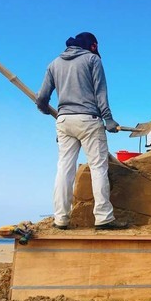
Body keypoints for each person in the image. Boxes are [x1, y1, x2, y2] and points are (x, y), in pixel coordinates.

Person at [36, 32, 127, 230]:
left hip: (64, 121)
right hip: (89, 120)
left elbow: (41, 98)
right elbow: (100, 92)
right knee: (98, 168)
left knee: (64, 169)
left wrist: (45, 109)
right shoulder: (92, 60)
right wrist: (108, 118)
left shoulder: (54, 64)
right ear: (92, 46)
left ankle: (60, 218)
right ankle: (103, 217)